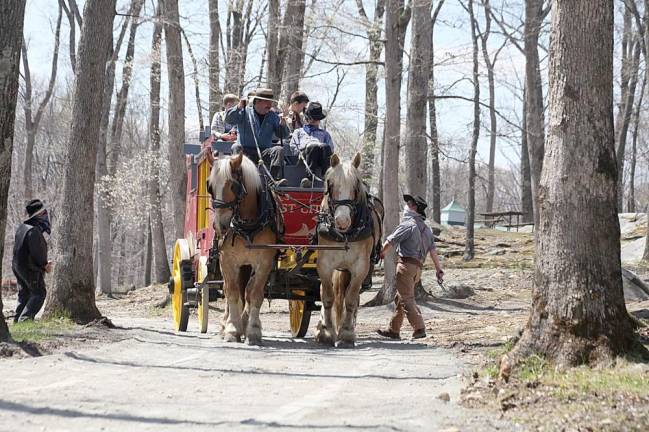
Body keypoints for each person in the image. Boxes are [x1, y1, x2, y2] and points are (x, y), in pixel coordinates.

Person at [376, 195, 444, 340]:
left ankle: (419, 328)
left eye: (408, 203)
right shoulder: (427, 230)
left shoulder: (407, 225)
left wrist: (381, 253)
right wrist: (439, 270)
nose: (406, 205)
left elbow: (390, 241)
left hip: (405, 266)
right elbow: (433, 252)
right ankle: (393, 330)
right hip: (418, 269)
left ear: (414, 208)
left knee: (406, 299)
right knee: (400, 299)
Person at [225, 87, 290, 179]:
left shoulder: (273, 116)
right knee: (236, 147)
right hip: (245, 152)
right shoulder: (244, 112)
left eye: (271, 102)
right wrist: (238, 107)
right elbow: (228, 119)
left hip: (264, 152)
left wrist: (283, 125)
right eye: (267, 102)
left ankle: (275, 180)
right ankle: (237, 179)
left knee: (278, 150)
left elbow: (283, 135)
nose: (270, 104)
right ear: (257, 101)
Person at [12, 199, 53, 322]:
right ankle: (24, 320)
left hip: (17, 266)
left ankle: (17, 321)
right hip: (30, 268)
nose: (46, 215)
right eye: (44, 212)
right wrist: (45, 265)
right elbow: (37, 252)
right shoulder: (33, 231)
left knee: (24, 293)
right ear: (39, 215)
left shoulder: (22, 227)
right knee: (39, 293)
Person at [289, 102, 334, 186]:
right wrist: (301, 150)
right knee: (313, 146)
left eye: (316, 119)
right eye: (312, 118)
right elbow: (293, 146)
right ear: (307, 118)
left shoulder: (325, 134)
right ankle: (309, 178)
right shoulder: (299, 132)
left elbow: (330, 149)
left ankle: (326, 176)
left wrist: (321, 147)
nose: (313, 120)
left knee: (325, 146)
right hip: (304, 156)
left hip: (321, 157)